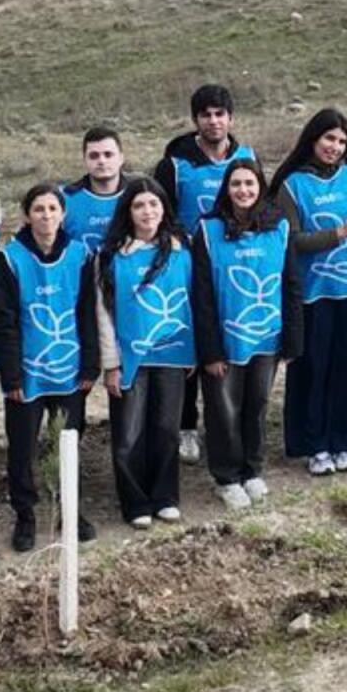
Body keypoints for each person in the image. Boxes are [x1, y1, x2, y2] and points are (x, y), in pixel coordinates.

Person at [0, 183, 100, 552]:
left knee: (66, 442)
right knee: (22, 448)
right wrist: (11, 375)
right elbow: (2, 321)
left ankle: (70, 510)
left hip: (69, 367)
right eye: (39, 209)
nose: (46, 216)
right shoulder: (11, 258)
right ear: (26, 215)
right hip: (28, 371)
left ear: (63, 214)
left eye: (53, 209)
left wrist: (90, 364)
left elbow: (88, 312)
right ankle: (26, 515)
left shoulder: (81, 255)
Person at [191, 159, 303, 510]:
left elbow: (292, 286)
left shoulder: (279, 228)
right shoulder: (208, 231)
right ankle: (226, 477)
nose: (243, 190)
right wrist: (210, 351)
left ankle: (252, 470)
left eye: (250, 184)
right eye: (236, 184)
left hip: (266, 338)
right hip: (225, 342)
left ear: (260, 187)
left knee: (256, 405)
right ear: (226, 189)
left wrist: (292, 339)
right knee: (223, 410)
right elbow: (202, 295)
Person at [153, 84, 255, 465]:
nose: (214, 121)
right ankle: (186, 426)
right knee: (193, 346)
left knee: (229, 343)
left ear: (231, 118)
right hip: (188, 268)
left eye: (220, 114)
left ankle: (227, 422)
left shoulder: (247, 157)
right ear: (196, 120)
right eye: (206, 115)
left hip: (235, 268)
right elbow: (161, 216)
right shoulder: (176, 164)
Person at [270, 108, 347, 476]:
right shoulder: (292, 185)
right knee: (314, 370)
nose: (335, 146)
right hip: (313, 293)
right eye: (329, 138)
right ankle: (314, 445)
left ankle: (342, 441)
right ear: (313, 139)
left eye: (342, 140)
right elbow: (291, 241)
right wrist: (340, 233)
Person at [97, 178, 196, 528]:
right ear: (128, 212)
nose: (147, 211)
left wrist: (193, 352)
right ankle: (135, 501)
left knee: (166, 429)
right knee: (128, 433)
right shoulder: (111, 256)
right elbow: (103, 314)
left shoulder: (182, 248)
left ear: (164, 208)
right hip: (130, 358)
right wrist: (110, 364)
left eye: (154, 204)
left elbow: (194, 301)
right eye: (139, 205)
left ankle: (165, 496)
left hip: (173, 354)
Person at [62, 126, 129, 254]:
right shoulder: (64, 199)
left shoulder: (140, 196)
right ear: (85, 160)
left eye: (108, 155)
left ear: (121, 158)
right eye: (94, 156)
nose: (101, 161)